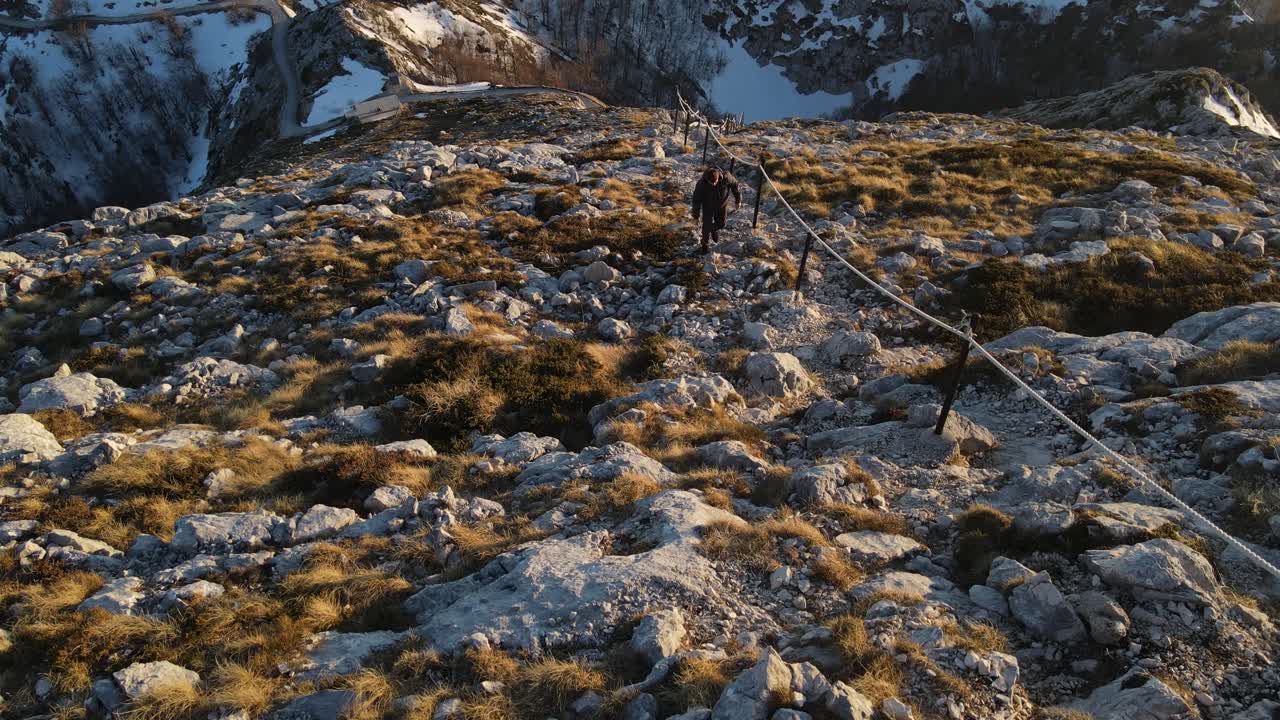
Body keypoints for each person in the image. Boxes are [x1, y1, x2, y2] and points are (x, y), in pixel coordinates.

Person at [691, 166, 741, 253]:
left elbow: (735, 184)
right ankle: (704, 246)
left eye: (715, 182)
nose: (714, 184)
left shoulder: (726, 177)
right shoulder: (701, 184)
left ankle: (713, 229)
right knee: (706, 227)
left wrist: (738, 200)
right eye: (711, 183)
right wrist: (696, 216)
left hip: (721, 205)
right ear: (707, 180)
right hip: (707, 206)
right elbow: (696, 200)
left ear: (719, 177)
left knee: (721, 224)